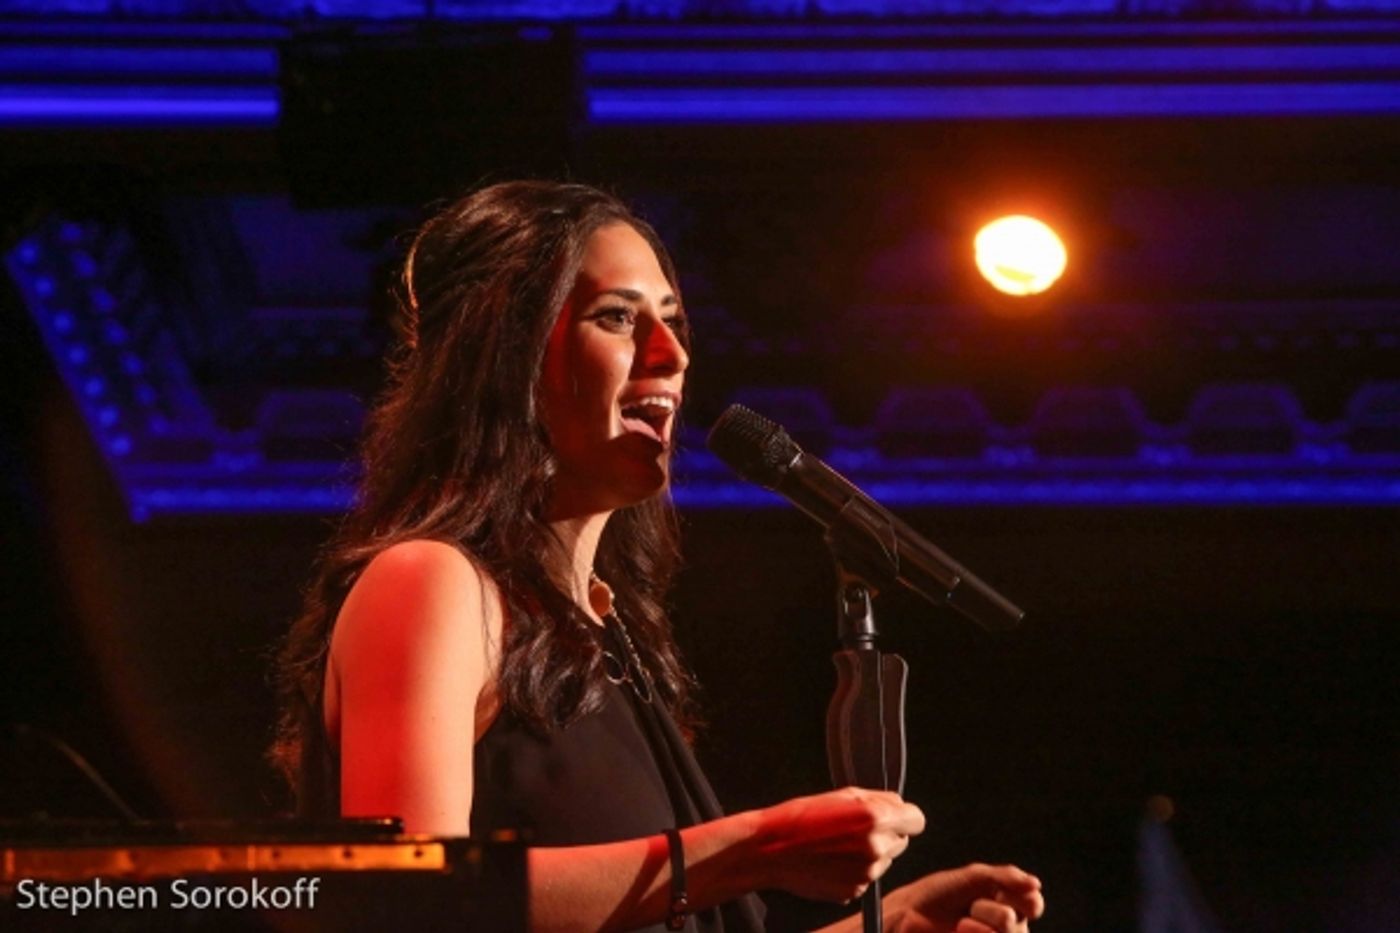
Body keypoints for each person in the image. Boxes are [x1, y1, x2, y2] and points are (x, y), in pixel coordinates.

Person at [269, 180, 1045, 933]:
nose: (671, 354)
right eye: (617, 317)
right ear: (504, 353)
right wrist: (754, 847)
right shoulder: (433, 580)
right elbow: (406, 896)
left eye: (673, 320)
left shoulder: (609, 633)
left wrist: (893, 924)